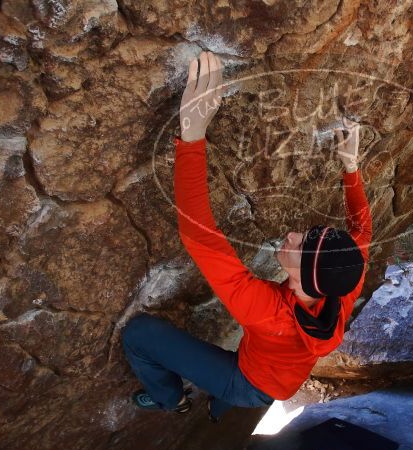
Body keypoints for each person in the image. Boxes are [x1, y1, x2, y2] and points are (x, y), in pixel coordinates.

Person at [121, 50, 372, 423]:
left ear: (303, 276)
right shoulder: (341, 283)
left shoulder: (269, 313)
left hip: (249, 379)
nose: (291, 234)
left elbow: (200, 236)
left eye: (298, 244)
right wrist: (350, 166)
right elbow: (363, 232)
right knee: (230, 396)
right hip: (277, 373)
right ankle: (217, 408)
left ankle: (170, 399)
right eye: (307, 234)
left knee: (139, 335)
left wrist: (192, 136)